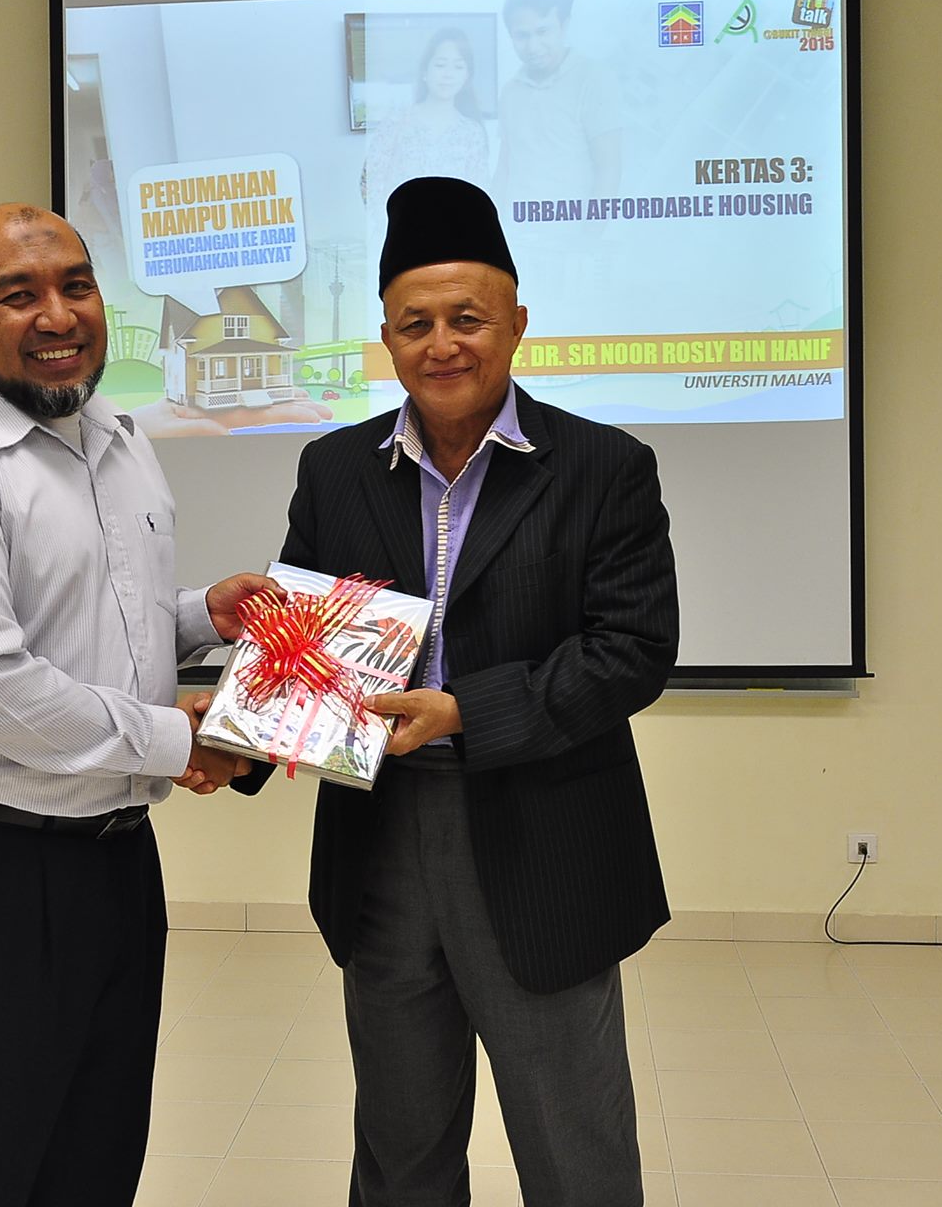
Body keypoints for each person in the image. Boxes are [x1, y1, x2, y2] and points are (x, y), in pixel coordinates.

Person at [0, 202, 272, 1207]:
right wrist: (175, 738)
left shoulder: (112, 434)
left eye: (76, 286)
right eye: (19, 294)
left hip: (110, 860)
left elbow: (90, 622)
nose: (57, 315)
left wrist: (198, 616)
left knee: (94, 1158)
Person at [264, 176, 679, 1206]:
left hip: (544, 842)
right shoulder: (334, 469)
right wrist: (242, 734)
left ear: (517, 324)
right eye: (416, 324)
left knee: (575, 1151)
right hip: (380, 843)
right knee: (399, 1149)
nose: (442, 344)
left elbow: (631, 649)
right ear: (386, 339)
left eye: (467, 318)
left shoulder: (603, 467)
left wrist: (465, 712)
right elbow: (301, 648)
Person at [491, 0, 625, 205]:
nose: (533, 47)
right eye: (522, 35)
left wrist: (594, 226)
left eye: (542, 31)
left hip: (573, 223)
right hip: (515, 223)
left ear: (564, 25)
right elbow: (504, 168)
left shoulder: (594, 78)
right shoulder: (510, 91)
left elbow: (608, 168)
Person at [361, 27, 491, 210]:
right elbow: (370, 184)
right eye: (440, 65)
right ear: (425, 71)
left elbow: (480, 194)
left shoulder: (472, 133)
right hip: (401, 226)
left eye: (458, 67)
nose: (448, 74)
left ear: (467, 76)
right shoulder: (395, 123)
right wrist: (388, 222)